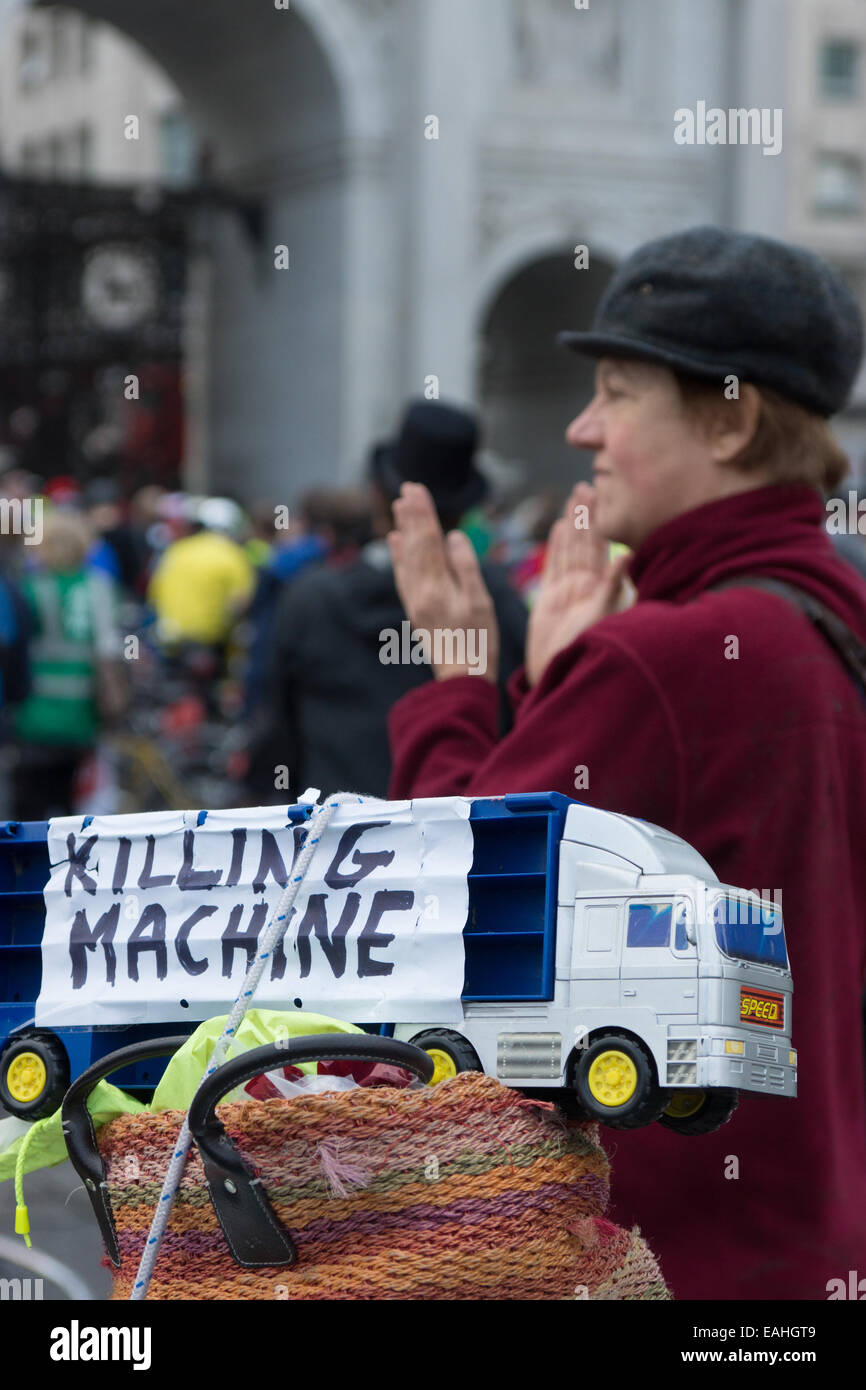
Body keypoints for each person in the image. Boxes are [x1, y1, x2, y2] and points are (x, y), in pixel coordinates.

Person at [385, 226, 866, 1301]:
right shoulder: (824, 625)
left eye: (614, 391)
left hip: (661, 1262)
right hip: (809, 1240)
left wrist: (460, 678)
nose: (580, 427)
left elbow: (448, 923)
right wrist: (566, 688)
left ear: (731, 417)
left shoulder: (670, 658)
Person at [250, 401, 528, 801]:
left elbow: (275, 735)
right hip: (460, 843)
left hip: (333, 843)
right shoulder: (493, 601)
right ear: (467, 506)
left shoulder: (310, 599)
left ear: (377, 494)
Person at [11, 510, 124, 820]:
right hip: (81, 717)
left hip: (32, 716)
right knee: (72, 808)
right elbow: (108, 652)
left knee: (29, 807)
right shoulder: (99, 587)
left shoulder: (29, 587)